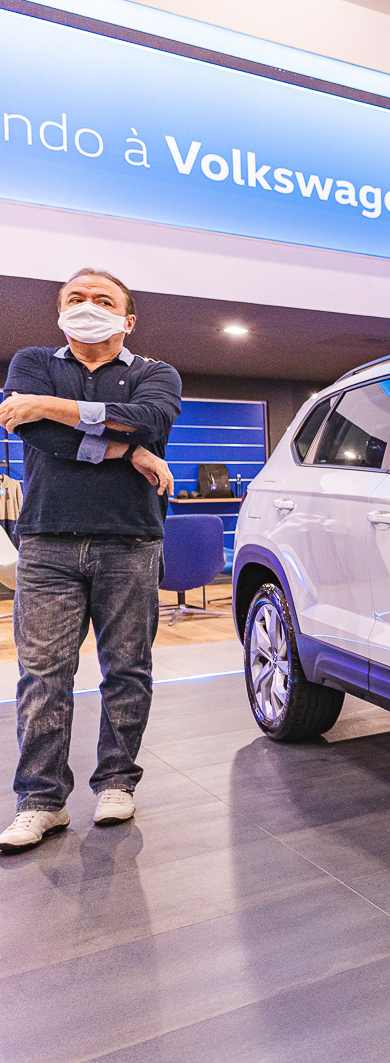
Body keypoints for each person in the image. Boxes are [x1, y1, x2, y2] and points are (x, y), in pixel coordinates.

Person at [0, 268, 179, 854]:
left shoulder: (156, 374)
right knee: (43, 676)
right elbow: (39, 436)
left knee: (127, 670)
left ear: (128, 320)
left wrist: (48, 406)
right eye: (75, 298)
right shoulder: (32, 361)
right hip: (46, 541)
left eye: (103, 300)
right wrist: (130, 452)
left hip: (130, 541)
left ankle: (117, 784)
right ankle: (41, 801)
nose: (88, 306)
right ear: (59, 312)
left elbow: (148, 420)